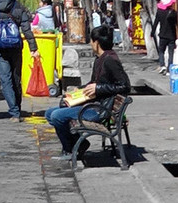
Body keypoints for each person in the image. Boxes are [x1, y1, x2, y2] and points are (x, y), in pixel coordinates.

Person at [43, 24, 127, 160]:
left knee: (57, 116)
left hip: (99, 109)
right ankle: (78, 144)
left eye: (91, 41)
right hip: (93, 103)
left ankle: (70, 149)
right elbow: (94, 82)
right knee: (49, 113)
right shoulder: (100, 59)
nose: (90, 43)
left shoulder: (110, 60)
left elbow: (124, 86)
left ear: (97, 42)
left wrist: (97, 89)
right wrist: (80, 90)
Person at [0, 0, 38, 120]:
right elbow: (26, 28)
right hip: (15, 46)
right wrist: (33, 47)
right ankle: (17, 107)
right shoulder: (17, 5)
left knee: (5, 80)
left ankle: (14, 111)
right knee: (16, 78)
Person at [152, 0, 174, 74]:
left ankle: (162, 65)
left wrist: (152, 33)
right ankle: (169, 69)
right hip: (172, 36)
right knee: (171, 53)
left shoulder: (159, 12)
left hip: (162, 35)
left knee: (161, 51)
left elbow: (155, 23)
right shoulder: (173, 13)